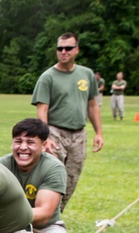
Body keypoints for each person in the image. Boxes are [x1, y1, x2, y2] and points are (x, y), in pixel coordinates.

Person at [31, 32, 103, 210]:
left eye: (68, 48)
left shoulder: (86, 74)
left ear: (76, 50)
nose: (63, 51)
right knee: (52, 174)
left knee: (71, 177)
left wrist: (99, 133)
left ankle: (55, 214)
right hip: (55, 132)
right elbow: (42, 109)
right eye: (60, 48)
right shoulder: (48, 77)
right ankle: (43, 213)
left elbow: (92, 105)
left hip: (79, 134)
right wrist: (45, 137)